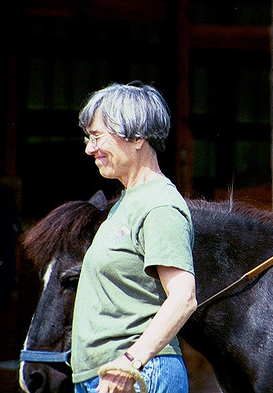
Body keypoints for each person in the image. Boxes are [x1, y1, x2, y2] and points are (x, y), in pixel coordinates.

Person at [71, 82, 197, 393]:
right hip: (108, 376)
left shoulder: (160, 205)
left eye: (98, 136)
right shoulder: (126, 203)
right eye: (88, 138)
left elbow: (184, 297)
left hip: (138, 376)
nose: (89, 148)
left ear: (137, 136)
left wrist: (129, 362)